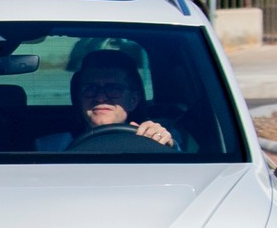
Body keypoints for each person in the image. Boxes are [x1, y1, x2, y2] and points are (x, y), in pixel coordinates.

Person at [37, 49, 179, 151]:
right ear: (78, 98)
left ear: (133, 100)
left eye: (113, 89)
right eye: (91, 89)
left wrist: (166, 144)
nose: (100, 97)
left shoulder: (158, 137)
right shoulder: (50, 147)